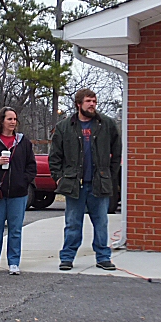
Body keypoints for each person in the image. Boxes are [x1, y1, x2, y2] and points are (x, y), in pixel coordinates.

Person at [50, 88, 121, 272]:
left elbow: (117, 152)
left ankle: (103, 258)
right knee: (73, 224)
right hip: (75, 184)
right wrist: (59, 178)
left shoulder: (107, 124)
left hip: (99, 183)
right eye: (89, 101)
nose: (92, 105)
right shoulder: (64, 127)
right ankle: (67, 257)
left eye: (94, 101)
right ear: (78, 104)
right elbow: (55, 156)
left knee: (101, 223)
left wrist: (110, 175)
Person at [0, 107, 37, 276]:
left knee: (15, 230)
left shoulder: (23, 142)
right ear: (1, 121)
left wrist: (23, 181)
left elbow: (32, 166)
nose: (13, 122)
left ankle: (14, 263)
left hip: (18, 194)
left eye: (15, 119)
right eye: (9, 119)